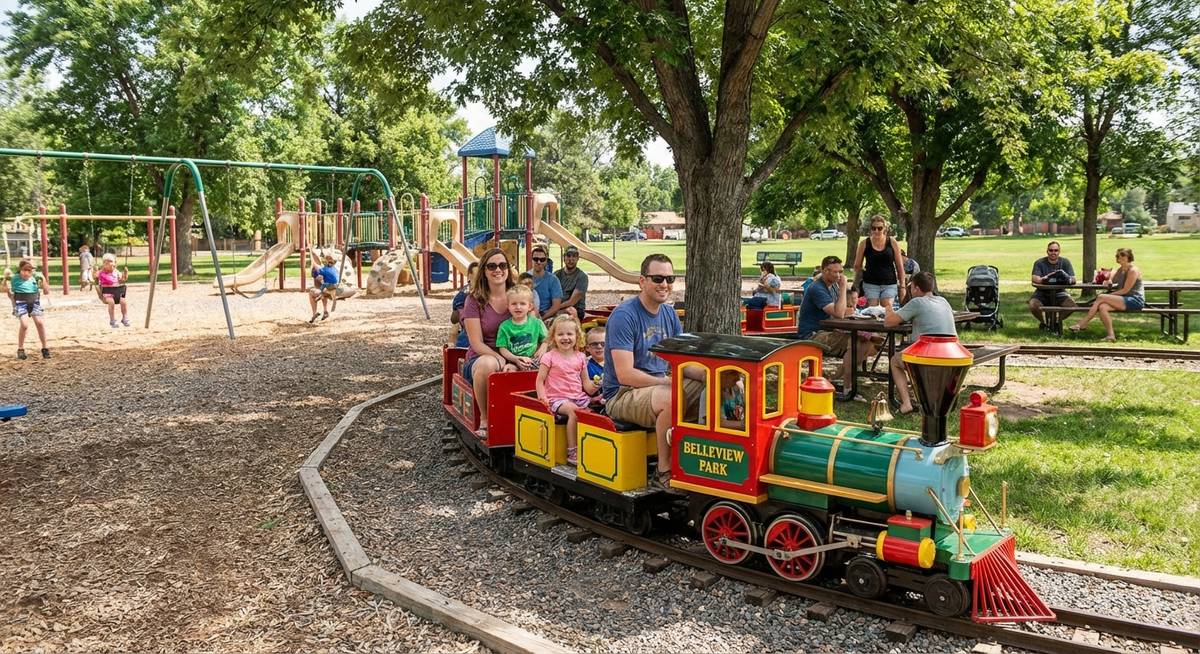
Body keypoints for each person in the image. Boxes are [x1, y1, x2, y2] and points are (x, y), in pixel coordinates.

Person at [602, 253, 702, 489]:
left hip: (658, 385)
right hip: (622, 393)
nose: (665, 285)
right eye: (657, 278)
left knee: (714, 387)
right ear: (642, 281)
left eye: (670, 279)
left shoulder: (669, 314)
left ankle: (700, 460)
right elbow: (625, 374)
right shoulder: (624, 316)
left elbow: (681, 361)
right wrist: (668, 382)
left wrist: (712, 376)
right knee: (670, 397)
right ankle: (664, 471)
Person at [461, 248, 516, 435]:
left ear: (508, 270)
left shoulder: (518, 298)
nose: (497, 270)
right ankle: (485, 418)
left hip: (516, 354)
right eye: (491, 266)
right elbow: (476, 343)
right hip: (482, 356)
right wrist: (501, 359)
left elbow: (534, 329)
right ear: (484, 271)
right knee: (488, 364)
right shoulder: (474, 301)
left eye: (502, 265)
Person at [884, 271, 957, 414]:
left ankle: (906, 403)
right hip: (950, 354)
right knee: (907, 355)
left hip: (929, 356)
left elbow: (889, 322)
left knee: (894, 360)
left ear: (916, 288)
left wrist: (888, 309)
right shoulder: (943, 301)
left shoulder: (917, 302)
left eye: (911, 287)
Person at [796, 255, 870, 394]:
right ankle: (847, 388)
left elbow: (846, 310)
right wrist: (843, 288)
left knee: (869, 343)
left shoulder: (833, 286)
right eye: (835, 272)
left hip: (829, 331)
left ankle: (836, 380)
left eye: (840, 272)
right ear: (824, 271)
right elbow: (839, 313)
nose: (839, 275)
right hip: (813, 335)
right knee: (857, 344)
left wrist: (843, 309)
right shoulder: (817, 288)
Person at [536, 314, 598, 466]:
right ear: (553, 337)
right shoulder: (549, 357)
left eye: (569, 334)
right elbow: (540, 380)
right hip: (557, 398)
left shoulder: (581, 357)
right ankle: (572, 450)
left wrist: (597, 387)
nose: (565, 338)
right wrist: (542, 398)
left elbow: (586, 383)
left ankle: (590, 446)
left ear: (577, 336)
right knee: (574, 412)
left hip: (577, 396)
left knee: (594, 415)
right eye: (560, 334)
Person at [1069, 248, 1143, 342]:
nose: (1119, 257)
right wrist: (1106, 279)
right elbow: (1111, 280)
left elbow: (1125, 290)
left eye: (1122, 255)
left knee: (1101, 297)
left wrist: (1109, 295)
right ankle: (1111, 335)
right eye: (1117, 255)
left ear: (1129, 257)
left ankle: (1082, 323)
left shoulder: (1133, 270)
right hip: (1123, 299)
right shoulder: (1121, 270)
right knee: (1103, 307)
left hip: (1135, 300)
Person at [853, 214, 907, 307]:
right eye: (874, 228)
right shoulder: (864, 243)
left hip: (889, 282)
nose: (876, 231)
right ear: (870, 229)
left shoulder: (892, 242)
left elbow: (899, 266)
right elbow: (857, 266)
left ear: (884, 228)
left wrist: (902, 286)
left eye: (879, 228)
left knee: (886, 306)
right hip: (870, 282)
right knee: (873, 309)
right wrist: (856, 283)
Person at [3, 259, 50, 359]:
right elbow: (5, 290)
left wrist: (44, 279)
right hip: (21, 303)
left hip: (34, 302)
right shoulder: (15, 278)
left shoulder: (35, 278)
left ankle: (45, 348)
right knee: (24, 325)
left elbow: (46, 292)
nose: (27, 273)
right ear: (20, 269)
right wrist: (5, 280)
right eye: (24, 270)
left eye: (30, 271)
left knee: (40, 323)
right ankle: (20, 349)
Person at [496, 285, 548, 370]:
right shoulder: (504, 326)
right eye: (514, 304)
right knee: (508, 370)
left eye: (522, 303)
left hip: (535, 360)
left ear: (530, 306)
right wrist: (515, 359)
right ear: (508, 306)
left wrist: (543, 348)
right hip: (514, 361)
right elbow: (502, 348)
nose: (518, 307)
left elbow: (547, 339)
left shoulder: (536, 323)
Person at [1028, 241, 1077, 329]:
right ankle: (1043, 323)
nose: (1053, 253)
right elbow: (1034, 278)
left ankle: (1056, 322)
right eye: (1051, 250)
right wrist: (1043, 280)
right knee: (1033, 305)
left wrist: (1067, 279)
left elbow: (1073, 279)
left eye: (1056, 250)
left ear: (1059, 251)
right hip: (1042, 292)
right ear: (1047, 251)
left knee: (1072, 305)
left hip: (1060, 292)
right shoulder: (1039, 262)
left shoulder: (1065, 262)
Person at [529, 245, 564, 319]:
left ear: (546, 261)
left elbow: (556, 306)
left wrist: (542, 319)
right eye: (535, 259)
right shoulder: (524, 277)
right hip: (527, 315)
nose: (539, 262)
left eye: (542, 259)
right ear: (531, 260)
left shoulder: (553, 280)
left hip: (546, 315)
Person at [449, 262, 480, 347]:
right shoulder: (463, 295)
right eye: (477, 277)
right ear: (470, 277)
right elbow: (454, 319)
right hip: (468, 333)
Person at [97, 253, 131, 328]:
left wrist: (125, 273)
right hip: (106, 294)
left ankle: (125, 318)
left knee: (123, 301)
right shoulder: (101, 272)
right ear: (103, 264)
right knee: (111, 302)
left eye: (110, 262)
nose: (108, 264)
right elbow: (94, 276)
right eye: (105, 263)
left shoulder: (117, 272)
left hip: (117, 293)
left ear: (115, 263)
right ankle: (112, 320)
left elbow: (123, 280)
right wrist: (94, 270)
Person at [555, 245, 588, 320]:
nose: (571, 259)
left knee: (568, 311)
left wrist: (554, 309)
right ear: (564, 258)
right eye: (568, 256)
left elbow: (572, 301)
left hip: (575, 309)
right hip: (558, 307)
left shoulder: (582, 277)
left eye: (574, 256)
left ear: (578, 259)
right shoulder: (556, 274)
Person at [308, 254, 339, 323]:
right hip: (334, 290)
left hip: (330, 291)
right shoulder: (335, 269)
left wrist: (313, 262)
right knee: (323, 288)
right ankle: (325, 311)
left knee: (311, 292)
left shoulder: (325, 269)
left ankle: (314, 313)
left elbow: (317, 267)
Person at [584, 327, 606, 398]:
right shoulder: (585, 364)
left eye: (603, 343)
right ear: (587, 348)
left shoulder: (616, 362)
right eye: (594, 344)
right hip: (595, 402)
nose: (599, 347)